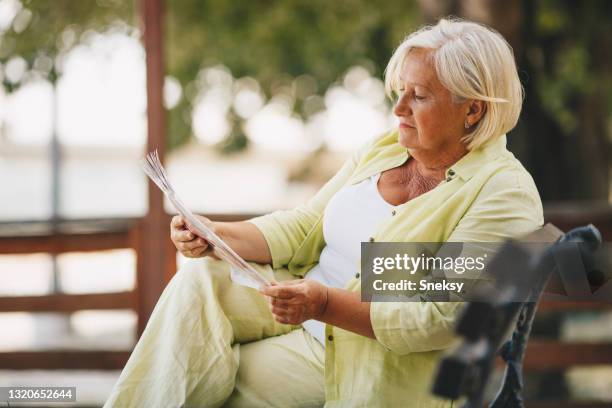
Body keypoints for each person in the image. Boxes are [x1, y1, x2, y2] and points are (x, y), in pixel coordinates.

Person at [104, 17, 543, 407]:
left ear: (473, 110)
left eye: (420, 96)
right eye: (400, 91)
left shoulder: (503, 193)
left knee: (217, 373)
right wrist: (215, 233)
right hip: (304, 307)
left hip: (368, 357)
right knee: (202, 280)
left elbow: (442, 316)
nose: (398, 108)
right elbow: (306, 226)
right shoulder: (385, 148)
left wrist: (324, 304)